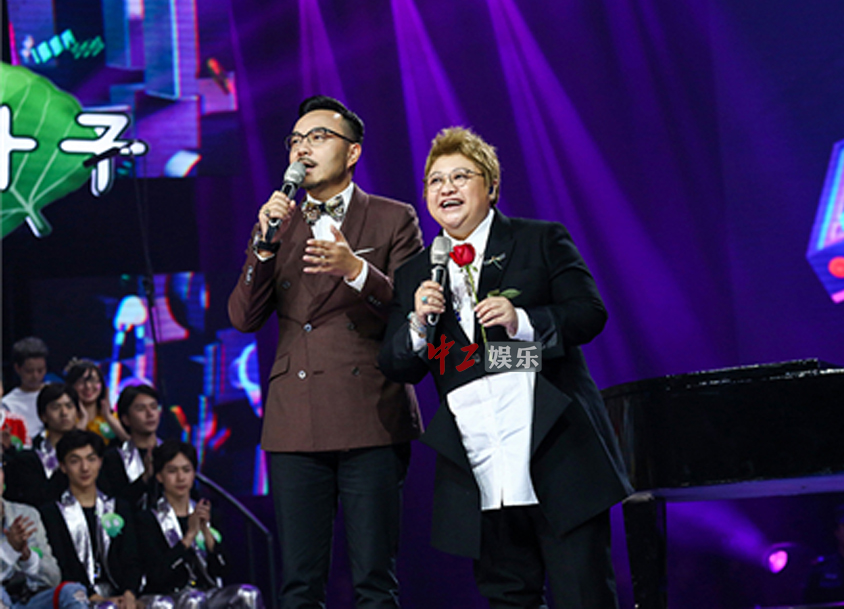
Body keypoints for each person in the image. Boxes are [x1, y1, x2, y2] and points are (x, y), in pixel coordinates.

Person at [377, 126, 632, 608]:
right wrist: (417, 324)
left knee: (584, 595)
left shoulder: (540, 239)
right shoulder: (414, 274)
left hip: (556, 453)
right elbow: (395, 363)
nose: (446, 188)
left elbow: (589, 314)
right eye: (435, 180)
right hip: (478, 464)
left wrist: (523, 321)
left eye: (461, 176)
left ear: (491, 186)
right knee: (508, 598)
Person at [228, 95, 423, 609]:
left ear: (352, 152)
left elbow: (413, 312)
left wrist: (355, 269)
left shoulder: (392, 218)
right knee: (298, 583)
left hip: (370, 412)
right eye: (295, 140)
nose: (302, 149)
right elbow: (243, 318)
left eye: (317, 137)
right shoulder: (279, 223)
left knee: (374, 581)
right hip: (295, 420)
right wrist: (263, 246)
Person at [136, 440, 263, 609]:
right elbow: (158, 575)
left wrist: (206, 531)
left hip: (206, 592)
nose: (180, 478)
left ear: (194, 474)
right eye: (172, 471)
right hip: (169, 595)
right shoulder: (148, 519)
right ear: (159, 476)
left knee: (248, 594)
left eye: (186, 470)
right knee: (194, 600)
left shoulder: (207, 514)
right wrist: (189, 536)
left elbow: (223, 569)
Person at [40, 429, 142, 609]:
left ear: (100, 462)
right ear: (63, 466)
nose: (85, 468)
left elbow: (132, 558)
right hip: (76, 598)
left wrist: (129, 593)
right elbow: (63, 564)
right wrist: (94, 597)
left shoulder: (119, 507)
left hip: (121, 595)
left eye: (91, 459)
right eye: (75, 461)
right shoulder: (52, 513)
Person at [1, 446, 89, 609]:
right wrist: (10, 550)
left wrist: (27, 557)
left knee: (73, 592)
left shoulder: (26, 514)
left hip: (28, 601)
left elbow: (52, 579)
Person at [3, 384, 79, 508]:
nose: (64, 412)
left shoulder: (92, 451)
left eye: (69, 406)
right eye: (55, 407)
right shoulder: (28, 460)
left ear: (77, 412)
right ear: (43, 416)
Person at [100, 384, 163, 510]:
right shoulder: (113, 458)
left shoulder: (172, 452)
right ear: (126, 419)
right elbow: (114, 503)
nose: (150, 413)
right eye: (141, 409)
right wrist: (144, 478)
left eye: (153, 407)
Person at [64, 359, 128, 445]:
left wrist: (108, 417)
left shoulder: (115, 417)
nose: (88, 386)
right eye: (81, 382)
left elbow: (131, 446)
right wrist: (84, 419)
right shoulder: (65, 418)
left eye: (93, 380)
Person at [2, 337, 50, 444]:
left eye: (40, 370)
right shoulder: (7, 403)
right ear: (17, 368)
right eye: (29, 371)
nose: (35, 376)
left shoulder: (57, 393)